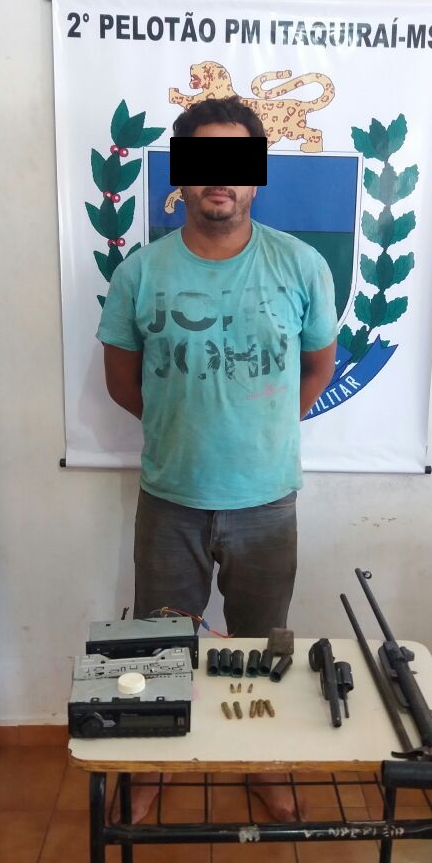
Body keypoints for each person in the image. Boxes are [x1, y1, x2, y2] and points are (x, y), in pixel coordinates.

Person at [97, 96, 337, 820]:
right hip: (171, 497)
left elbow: (318, 367)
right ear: (182, 173)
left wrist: (260, 429)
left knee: (263, 644)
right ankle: (153, 765)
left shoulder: (301, 266)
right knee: (158, 640)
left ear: (255, 174)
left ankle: (261, 761)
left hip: (266, 502)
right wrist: (186, 428)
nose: (219, 179)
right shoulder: (141, 273)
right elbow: (121, 382)